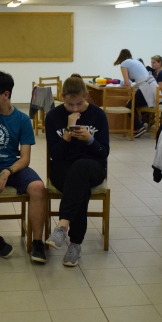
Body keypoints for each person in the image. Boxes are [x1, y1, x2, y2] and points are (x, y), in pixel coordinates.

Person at [0, 71, 47, 262]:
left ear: (6, 94)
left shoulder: (23, 120)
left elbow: (25, 158)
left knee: (38, 188)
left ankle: (38, 242)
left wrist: (7, 171)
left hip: (12, 166)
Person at [45, 75, 110, 267]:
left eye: (79, 104)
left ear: (86, 96)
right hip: (62, 169)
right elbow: (55, 155)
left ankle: (62, 226)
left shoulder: (98, 115)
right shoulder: (53, 116)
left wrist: (90, 139)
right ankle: (75, 244)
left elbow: (104, 152)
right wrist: (67, 133)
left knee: (80, 168)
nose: (75, 109)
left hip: (93, 167)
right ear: (62, 97)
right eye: (70, 104)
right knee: (80, 185)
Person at [114, 48, 157, 138]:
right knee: (134, 105)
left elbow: (127, 83)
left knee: (129, 106)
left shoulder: (124, 64)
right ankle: (137, 127)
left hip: (145, 87)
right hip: (153, 85)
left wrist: (130, 96)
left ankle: (140, 128)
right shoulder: (137, 61)